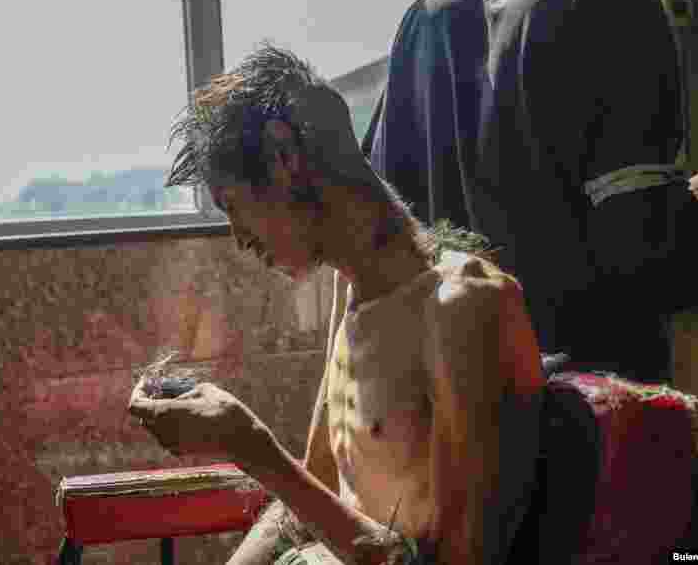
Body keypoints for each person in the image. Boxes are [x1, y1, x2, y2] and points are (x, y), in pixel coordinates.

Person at [129, 45, 575, 565]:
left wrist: (249, 446)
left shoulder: (465, 309)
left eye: (235, 207)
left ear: (282, 157)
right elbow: (306, 501)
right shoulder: (355, 294)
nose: (239, 238)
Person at [363, 0, 698, 384]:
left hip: (454, 400)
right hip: (583, 413)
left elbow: (385, 223)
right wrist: (695, 208)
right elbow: (643, 253)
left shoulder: (426, 17)